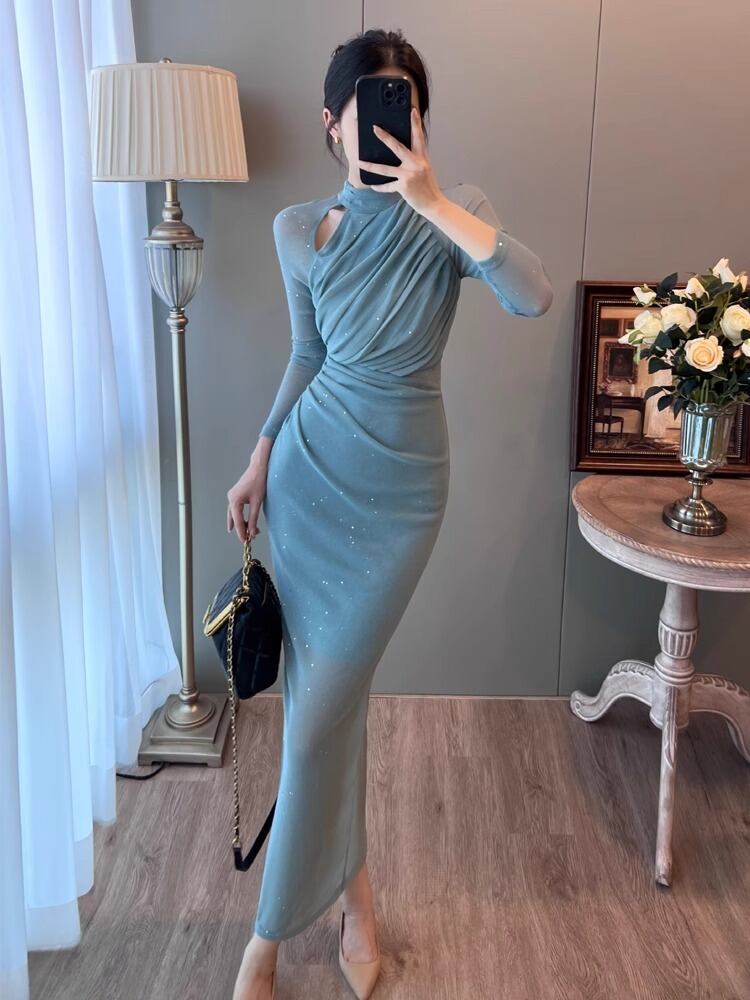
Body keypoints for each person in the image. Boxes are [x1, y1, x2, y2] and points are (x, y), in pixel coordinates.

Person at [227, 27, 553, 1000]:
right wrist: (259, 455)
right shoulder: (297, 229)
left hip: (403, 490)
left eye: (404, 102)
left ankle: (269, 937)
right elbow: (309, 354)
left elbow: (533, 296)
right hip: (308, 479)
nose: (387, 119)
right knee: (323, 712)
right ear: (333, 123)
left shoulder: (457, 213)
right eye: (368, 104)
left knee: (319, 715)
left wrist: (434, 201)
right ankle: (351, 911)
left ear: (419, 117)